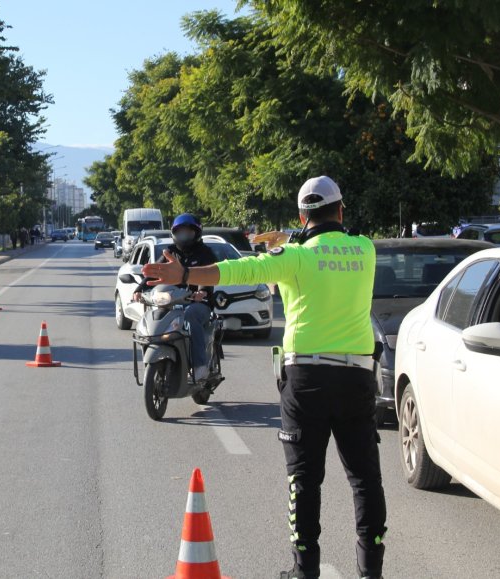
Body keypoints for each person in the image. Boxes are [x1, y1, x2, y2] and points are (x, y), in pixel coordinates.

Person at [142, 177, 387, 579]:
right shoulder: (365, 250)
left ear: (302, 216)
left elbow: (238, 270)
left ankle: (305, 570)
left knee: (305, 480)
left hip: (306, 377)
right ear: (341, 211)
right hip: (358, 376)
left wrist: (183, 273)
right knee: (365, 478)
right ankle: (371, 572)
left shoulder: (294, 257)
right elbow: (326, 241)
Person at [132, 213, 217, 382]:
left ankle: (200, 366)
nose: (183, 237)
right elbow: (154, 271)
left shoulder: (205, 253)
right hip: (173, 302)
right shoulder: (170, 252)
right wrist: (139, 289)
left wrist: (202, 291)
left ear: (197, 233)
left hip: (199, 303)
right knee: (154, 317)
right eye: (180, 233)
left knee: (191, 315)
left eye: (187, 233)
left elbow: (208, 274)